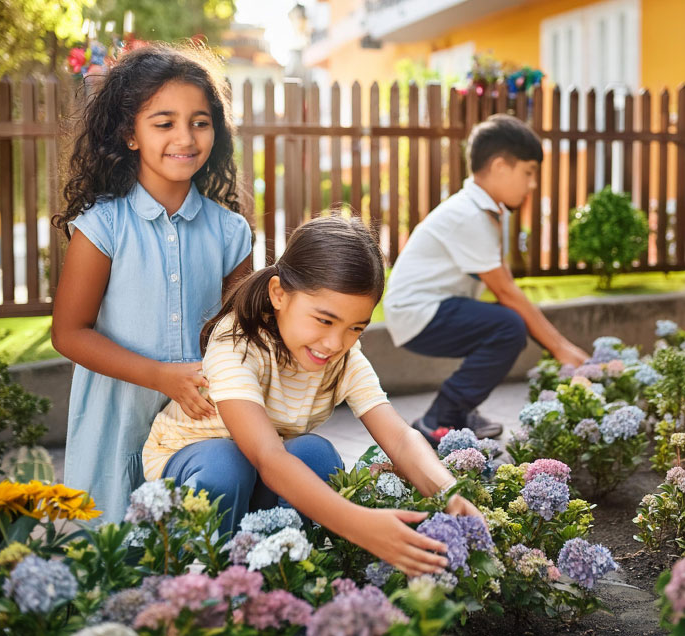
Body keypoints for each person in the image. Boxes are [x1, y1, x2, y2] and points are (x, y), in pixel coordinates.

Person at [143, 215, 484, 576]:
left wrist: (449, 493)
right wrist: (359, 524)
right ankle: (205, 581)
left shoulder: (343, 356)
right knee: (227, 463)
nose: (336, 343)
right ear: (279, 294)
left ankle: (287, 577)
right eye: (324, 320)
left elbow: (398, 436)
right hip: (197, 468)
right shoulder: (237, 344)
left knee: (314, 455)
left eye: (355, 328)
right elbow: (267, 456)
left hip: (263, 472)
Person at [51, 45, 252, 523]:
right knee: (112, 554)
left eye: (200, 122)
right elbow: (68, 333)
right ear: (130, 135)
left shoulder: (231, 232)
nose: (185, 137)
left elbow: (240, 337)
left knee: (192, 540)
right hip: (115, 424)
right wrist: (161, 376)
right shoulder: (102, 226)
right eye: (164, 123)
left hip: (197, 426)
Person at [384, 114, 588, 447]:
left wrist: (558, 346)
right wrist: (561, 349)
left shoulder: (485, 211)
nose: (532, 184)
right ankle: (440, 419)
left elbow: (507, 285)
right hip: (417, 312)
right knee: (507, 326)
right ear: (499, 167)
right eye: (529, 172)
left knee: (506, 324)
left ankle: (459, 413)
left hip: (431, 309)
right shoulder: (469, 215)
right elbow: (507, 293)